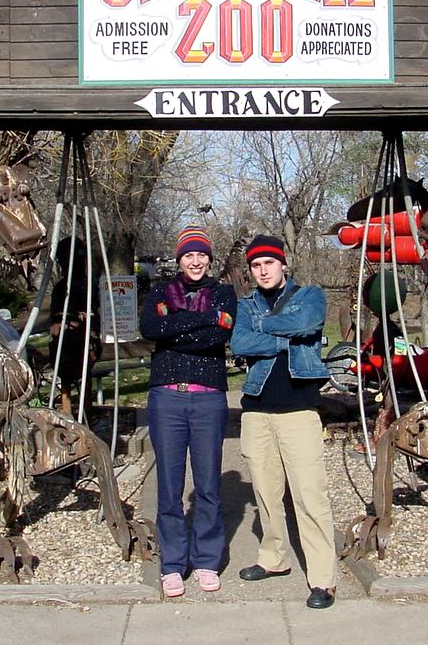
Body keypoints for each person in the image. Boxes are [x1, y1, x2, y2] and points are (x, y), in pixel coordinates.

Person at [229, 234, 337, 610]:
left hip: (298, 410)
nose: (262, 271)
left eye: (268, 263)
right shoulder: (246, 304)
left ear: (283, 263)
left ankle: (323, 578)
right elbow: (240, 344)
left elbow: (308, 323)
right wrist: (281, 335)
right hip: (258, 410)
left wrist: (265, 328)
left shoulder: (310, 295)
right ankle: (274, 558)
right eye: (256, 266)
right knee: (266, 493)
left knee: (309, 495)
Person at [139, 226, 237, 598]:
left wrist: (177, 325)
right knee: (169, 484)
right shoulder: (161, 291)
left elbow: (220, 334)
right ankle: (173, 564)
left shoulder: (224, 293)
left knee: (208, 483)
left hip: (209, 397)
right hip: (167, 398)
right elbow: (152, 327)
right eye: (188, 255)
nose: (195, 261)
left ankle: (208, 559)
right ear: (179, 259)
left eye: (201, 255)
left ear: (209, 259)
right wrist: (203, 317)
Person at [49, 236, 101, 416]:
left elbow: (94, 311)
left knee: (84, 372)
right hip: (66, 339)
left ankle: (84, 410)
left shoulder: (88, 286)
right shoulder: (62, 288)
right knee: (66, 373)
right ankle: (68, 411)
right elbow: (55, 317)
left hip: (84, 339)